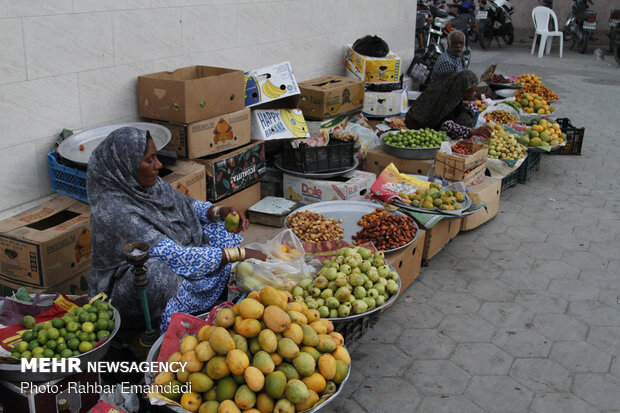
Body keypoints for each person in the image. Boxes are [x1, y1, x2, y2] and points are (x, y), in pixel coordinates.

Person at [87, 127, 266, 333]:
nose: (158, 165)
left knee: (220, 230)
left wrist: (219, 211)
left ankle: (211, 295)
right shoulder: (115, 211)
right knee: (156, 276)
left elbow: (187, 205)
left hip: (173, 248)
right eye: (150, 160)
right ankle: (175, 325)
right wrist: (240, 254)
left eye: (156, 157)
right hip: (128, 288)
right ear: (126, 166)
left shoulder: (145, 185)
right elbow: (173, 255)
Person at [405, 70, 492, 140]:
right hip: (423, 125)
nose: (471, 96)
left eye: (474, 91)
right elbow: (445, 125)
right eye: (469, 92)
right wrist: (473, 131)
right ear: (462, 89)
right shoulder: (445, 98)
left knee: (466, 114)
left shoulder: (455, 92)